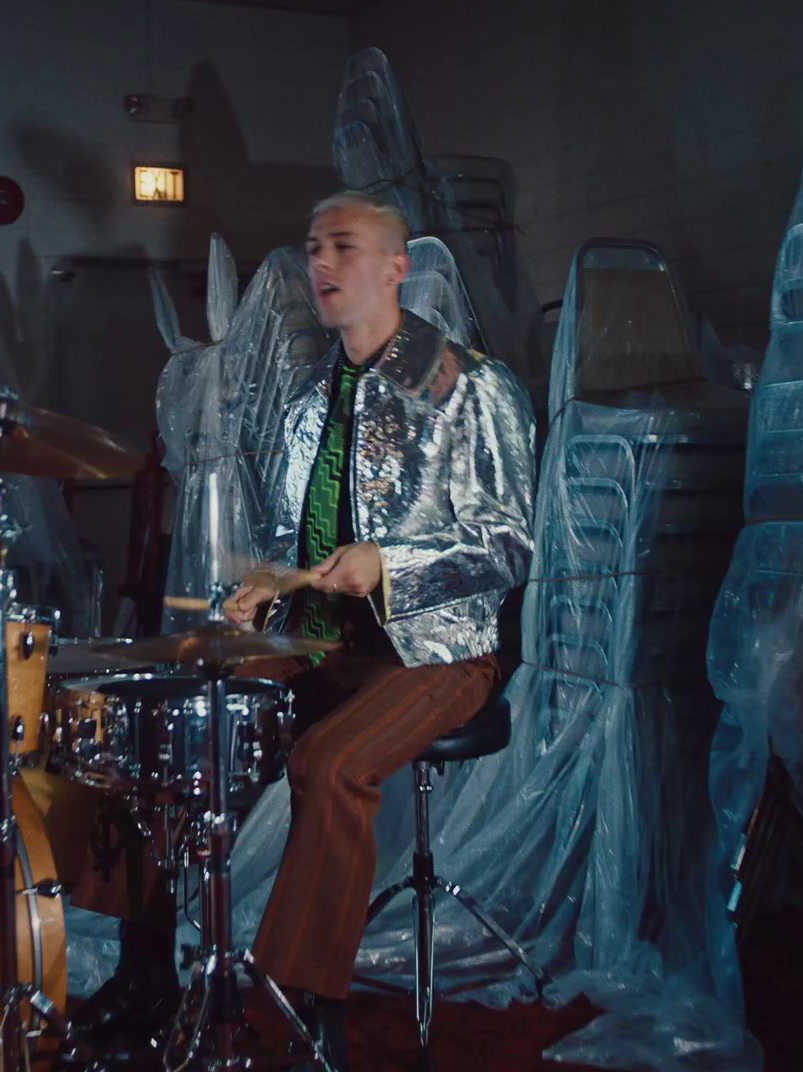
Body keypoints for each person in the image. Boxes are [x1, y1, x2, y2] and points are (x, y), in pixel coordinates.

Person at [222, 190, 536, 1069]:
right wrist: (262, 583)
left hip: (441, 650)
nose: (320, 263)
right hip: (321, 642)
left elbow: (507, 546)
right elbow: (294, 541)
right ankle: (144, 962)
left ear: (398, 266)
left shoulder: (469, 387)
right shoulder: (304, 408)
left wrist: (391, 566)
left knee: (329, 763)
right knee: (179, 709)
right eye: (312, 246)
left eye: (344, 246)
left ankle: (297, 1006)